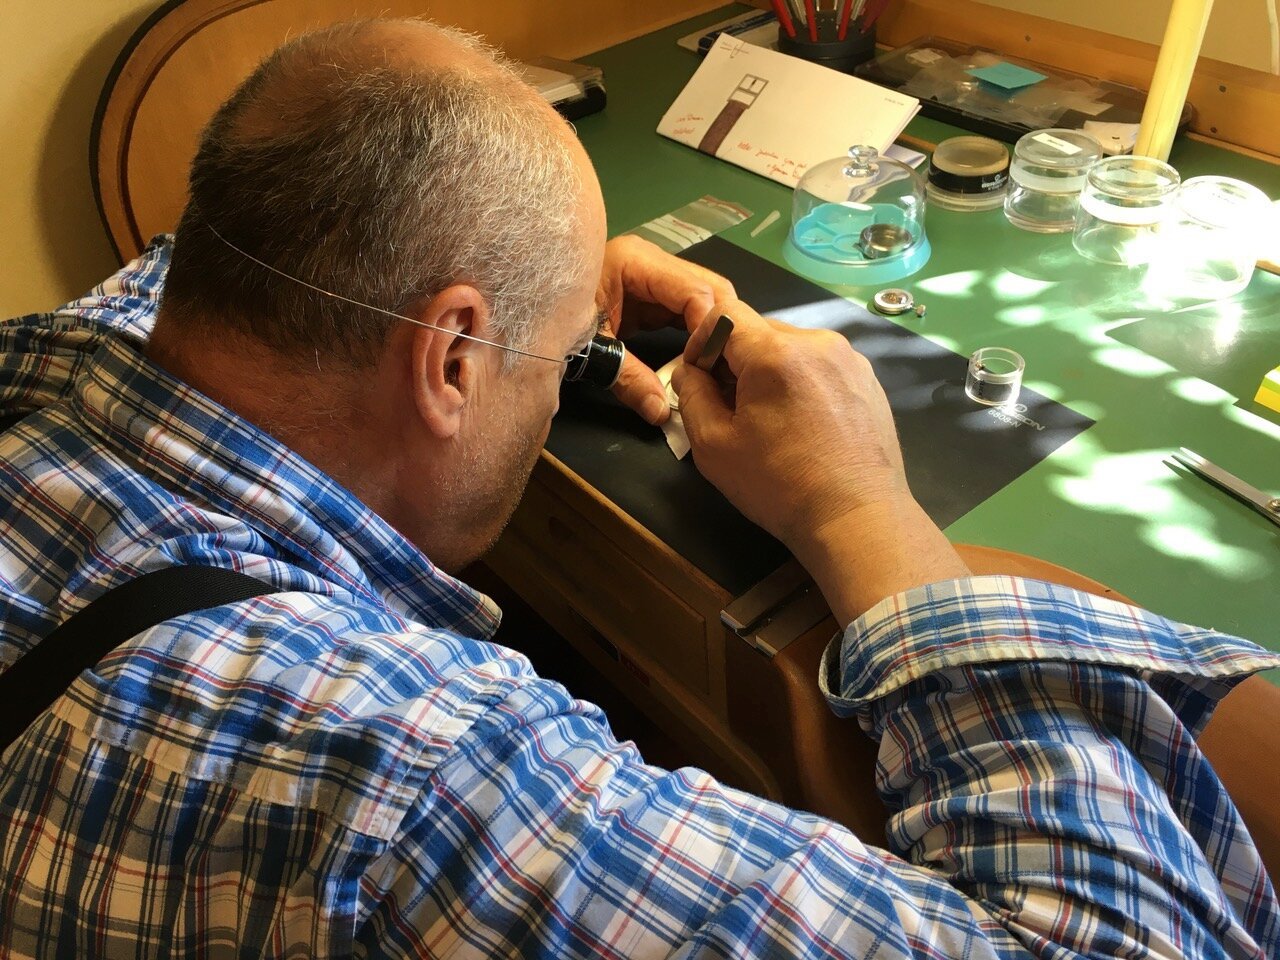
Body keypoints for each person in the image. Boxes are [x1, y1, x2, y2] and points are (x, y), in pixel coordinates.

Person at [0, 17, 1276, 958]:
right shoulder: (411, 781)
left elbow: (213, 247)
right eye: (563, 347)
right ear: (450, 359)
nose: (577, 360)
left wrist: (543, 277)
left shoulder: (59, 358)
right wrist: (860, 509)